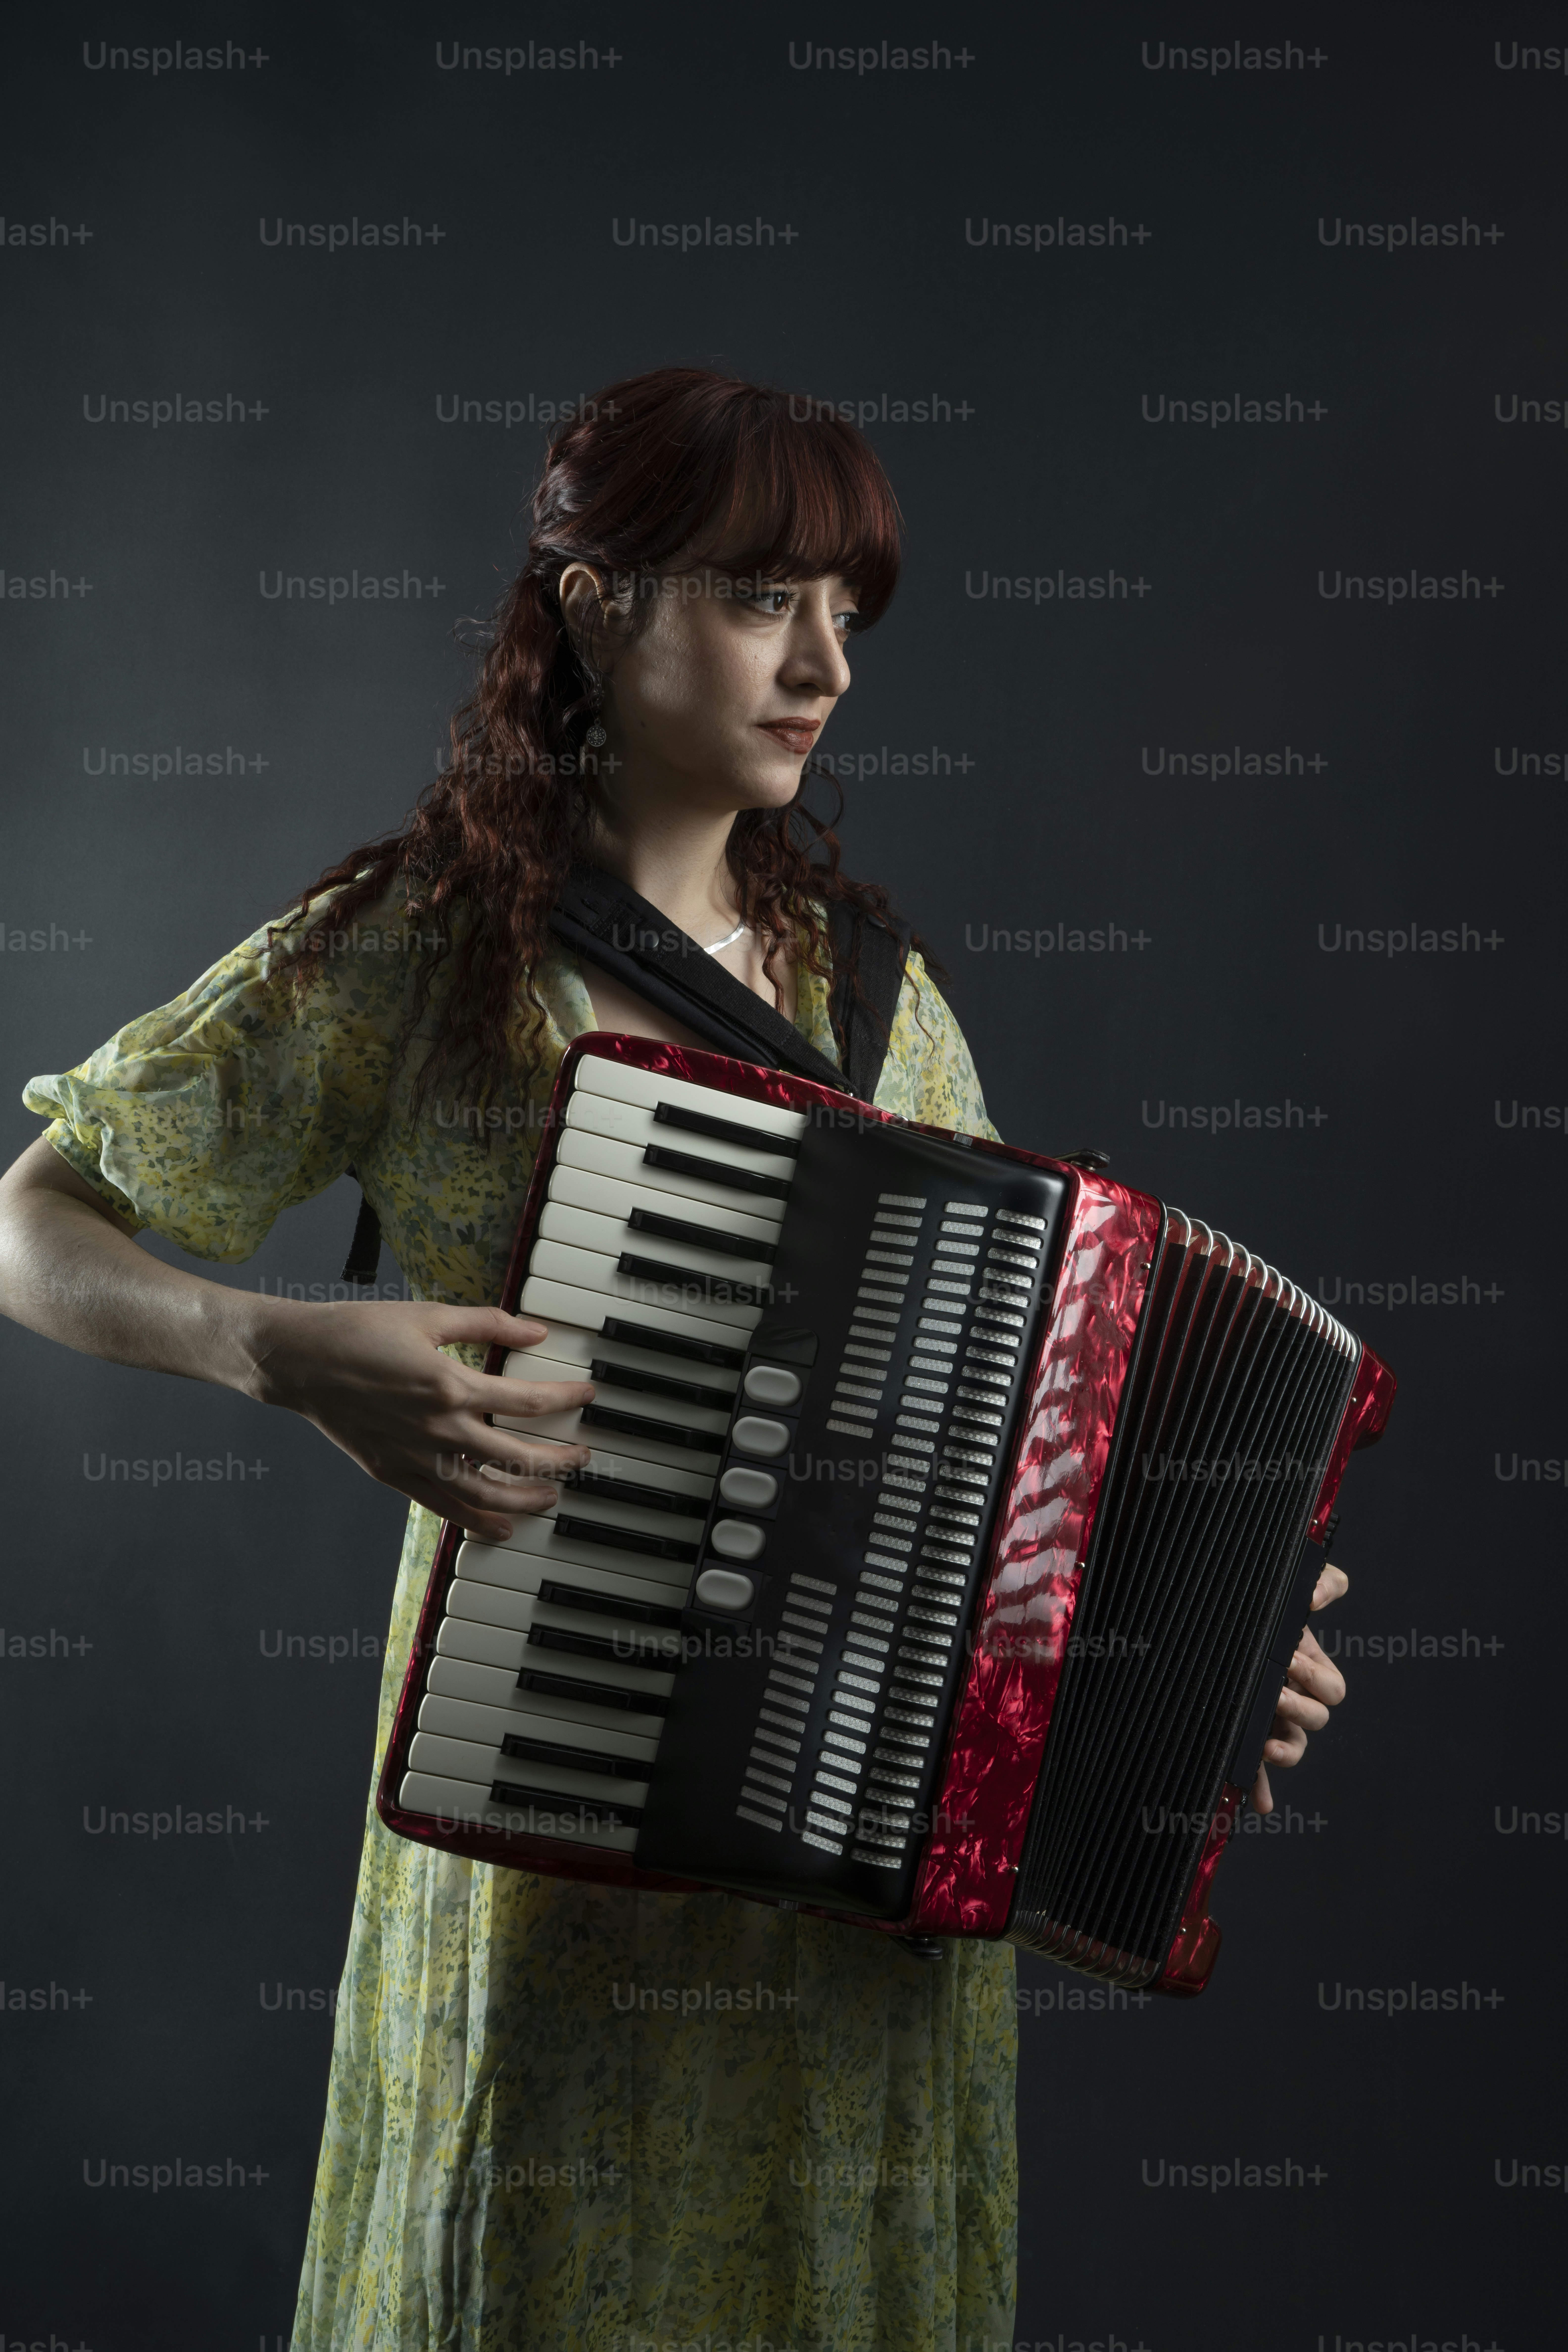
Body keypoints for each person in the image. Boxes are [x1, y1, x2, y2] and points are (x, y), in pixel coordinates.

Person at [0, 368, 1348, 2351]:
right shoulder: (428, 945)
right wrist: (283, 1352)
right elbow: (36, 1225)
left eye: (846, 617)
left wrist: (1206, 1651)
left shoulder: (895, 1010)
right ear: (592, 602)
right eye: (757, 599)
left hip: (859, 1959)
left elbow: (1005, 1472)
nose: (821, 667)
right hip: (559, 1875)